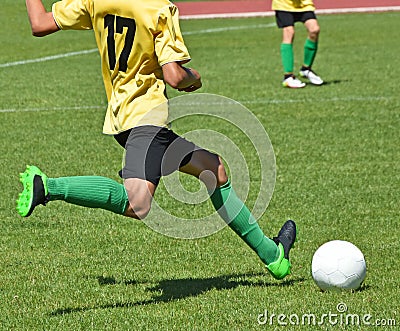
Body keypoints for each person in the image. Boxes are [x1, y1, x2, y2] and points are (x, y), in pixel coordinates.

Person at [18, 0, 296, 280]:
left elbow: (39, 23)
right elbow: (175, 76)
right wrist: (195, 78)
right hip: (147, 119)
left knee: (213, 168)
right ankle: (49, 187)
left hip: (121, 117)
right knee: (137, 204)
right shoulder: (159, 9)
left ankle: (273, 256)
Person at [272, 0, 324, 88]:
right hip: (283, 5)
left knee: (314, 30)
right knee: (289, 32)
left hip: (304, 4)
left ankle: (306, 69)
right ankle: (288, 77)